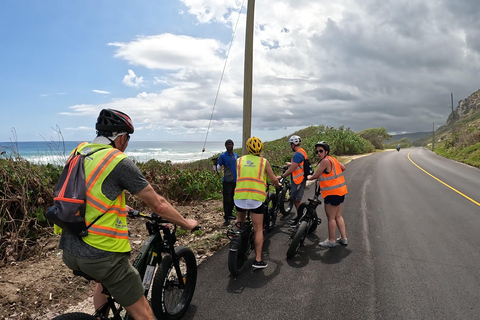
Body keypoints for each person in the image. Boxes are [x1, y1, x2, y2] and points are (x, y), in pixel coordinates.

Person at [57, 109, 198, 320]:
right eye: (128, 138)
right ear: (121, 137)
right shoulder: (117, 160)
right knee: (145, 314)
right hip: (100, 255)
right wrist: (186, 223)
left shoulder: (79, 152)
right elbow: (158, 205)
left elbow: (83, 195)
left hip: (69, 248)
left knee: (103, 282)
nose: (127, 143)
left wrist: (123, 209)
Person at [234, 137, 281, 269]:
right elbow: (273, 179)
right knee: (258, 228)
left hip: (239, 196)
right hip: (255, 199)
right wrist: (278, 185)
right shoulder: (263, 162)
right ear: (261, 149)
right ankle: (258, 260)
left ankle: (237, 241)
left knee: (240, 221)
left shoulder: (239, 161)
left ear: (248, 148)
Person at [307, 141, 348, 248]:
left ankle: (331, 241)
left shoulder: (325, 161)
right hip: (340, 191)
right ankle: (343, 238)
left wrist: (308, 177)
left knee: (331, 218)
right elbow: (343, 168)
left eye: (321, 151)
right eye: (317, 152)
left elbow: (316, 175)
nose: (319, 153)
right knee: (338, 216)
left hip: (332, 193)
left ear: (326, 151)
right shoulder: (332, 159)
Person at [277, 135, 308, 224]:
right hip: (300, 179)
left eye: (291, 144)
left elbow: (292, 170)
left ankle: (300, 219)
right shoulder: (302, 152)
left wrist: (282, 176)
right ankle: (299, 216)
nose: (290, 146)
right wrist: (291, 164)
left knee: (297, 200)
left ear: (293, 144)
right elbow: (298, 164)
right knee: (294, 198)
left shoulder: (297, 154)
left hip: (298, 180)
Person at [217, 139, 239, 226]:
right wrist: (214, 165)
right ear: (225, 146)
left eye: (230, 144)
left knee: (234, 198)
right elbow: (218, 168)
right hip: (227, 181)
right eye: (227, 145)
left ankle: (230, 214)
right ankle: (226, 218)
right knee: (227, 200)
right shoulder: (222, 156)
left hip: (235, 180)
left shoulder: (236, 155)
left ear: (233, 145)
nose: (229, 146)